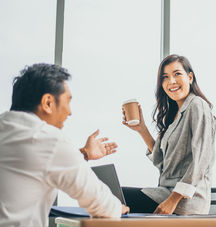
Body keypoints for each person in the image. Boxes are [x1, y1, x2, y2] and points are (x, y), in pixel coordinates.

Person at [0, 63, 129, 227]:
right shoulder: (48, 139)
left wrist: (83, 154)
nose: (70, 112)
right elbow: (101, 205)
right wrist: (117, 208)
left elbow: (31, 164)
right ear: (47, 102)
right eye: (68, 101)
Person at [122, 54, 216, 215]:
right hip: (165, 193)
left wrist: (173, 200)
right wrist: (142, 129)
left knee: (114, 197)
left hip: (184, 201)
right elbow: (161, 161)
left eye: (177, 74)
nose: (171, 81)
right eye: (165, 77)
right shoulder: (172, 116)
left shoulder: (197, 105)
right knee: (111, 198)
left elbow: (201, 159)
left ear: (190, 77)